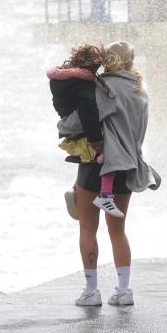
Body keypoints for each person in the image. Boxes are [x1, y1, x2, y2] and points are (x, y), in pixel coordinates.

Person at [73, 41, 161, 307]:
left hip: (95, 165)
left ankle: (92, 292)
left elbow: (80, 122)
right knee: (118, 231)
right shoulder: (140, 90)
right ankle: (124, 291)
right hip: (127, 166)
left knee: (88, 228)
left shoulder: (101, 87)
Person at [47, 43, 124, 219]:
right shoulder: (84, 85)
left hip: (68, 122)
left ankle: (76, 189)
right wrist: (97, 141)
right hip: (81, 128)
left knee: (85, 157)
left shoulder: (61, 78)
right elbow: (88, 113)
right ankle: (100, 196)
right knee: (105, 154)